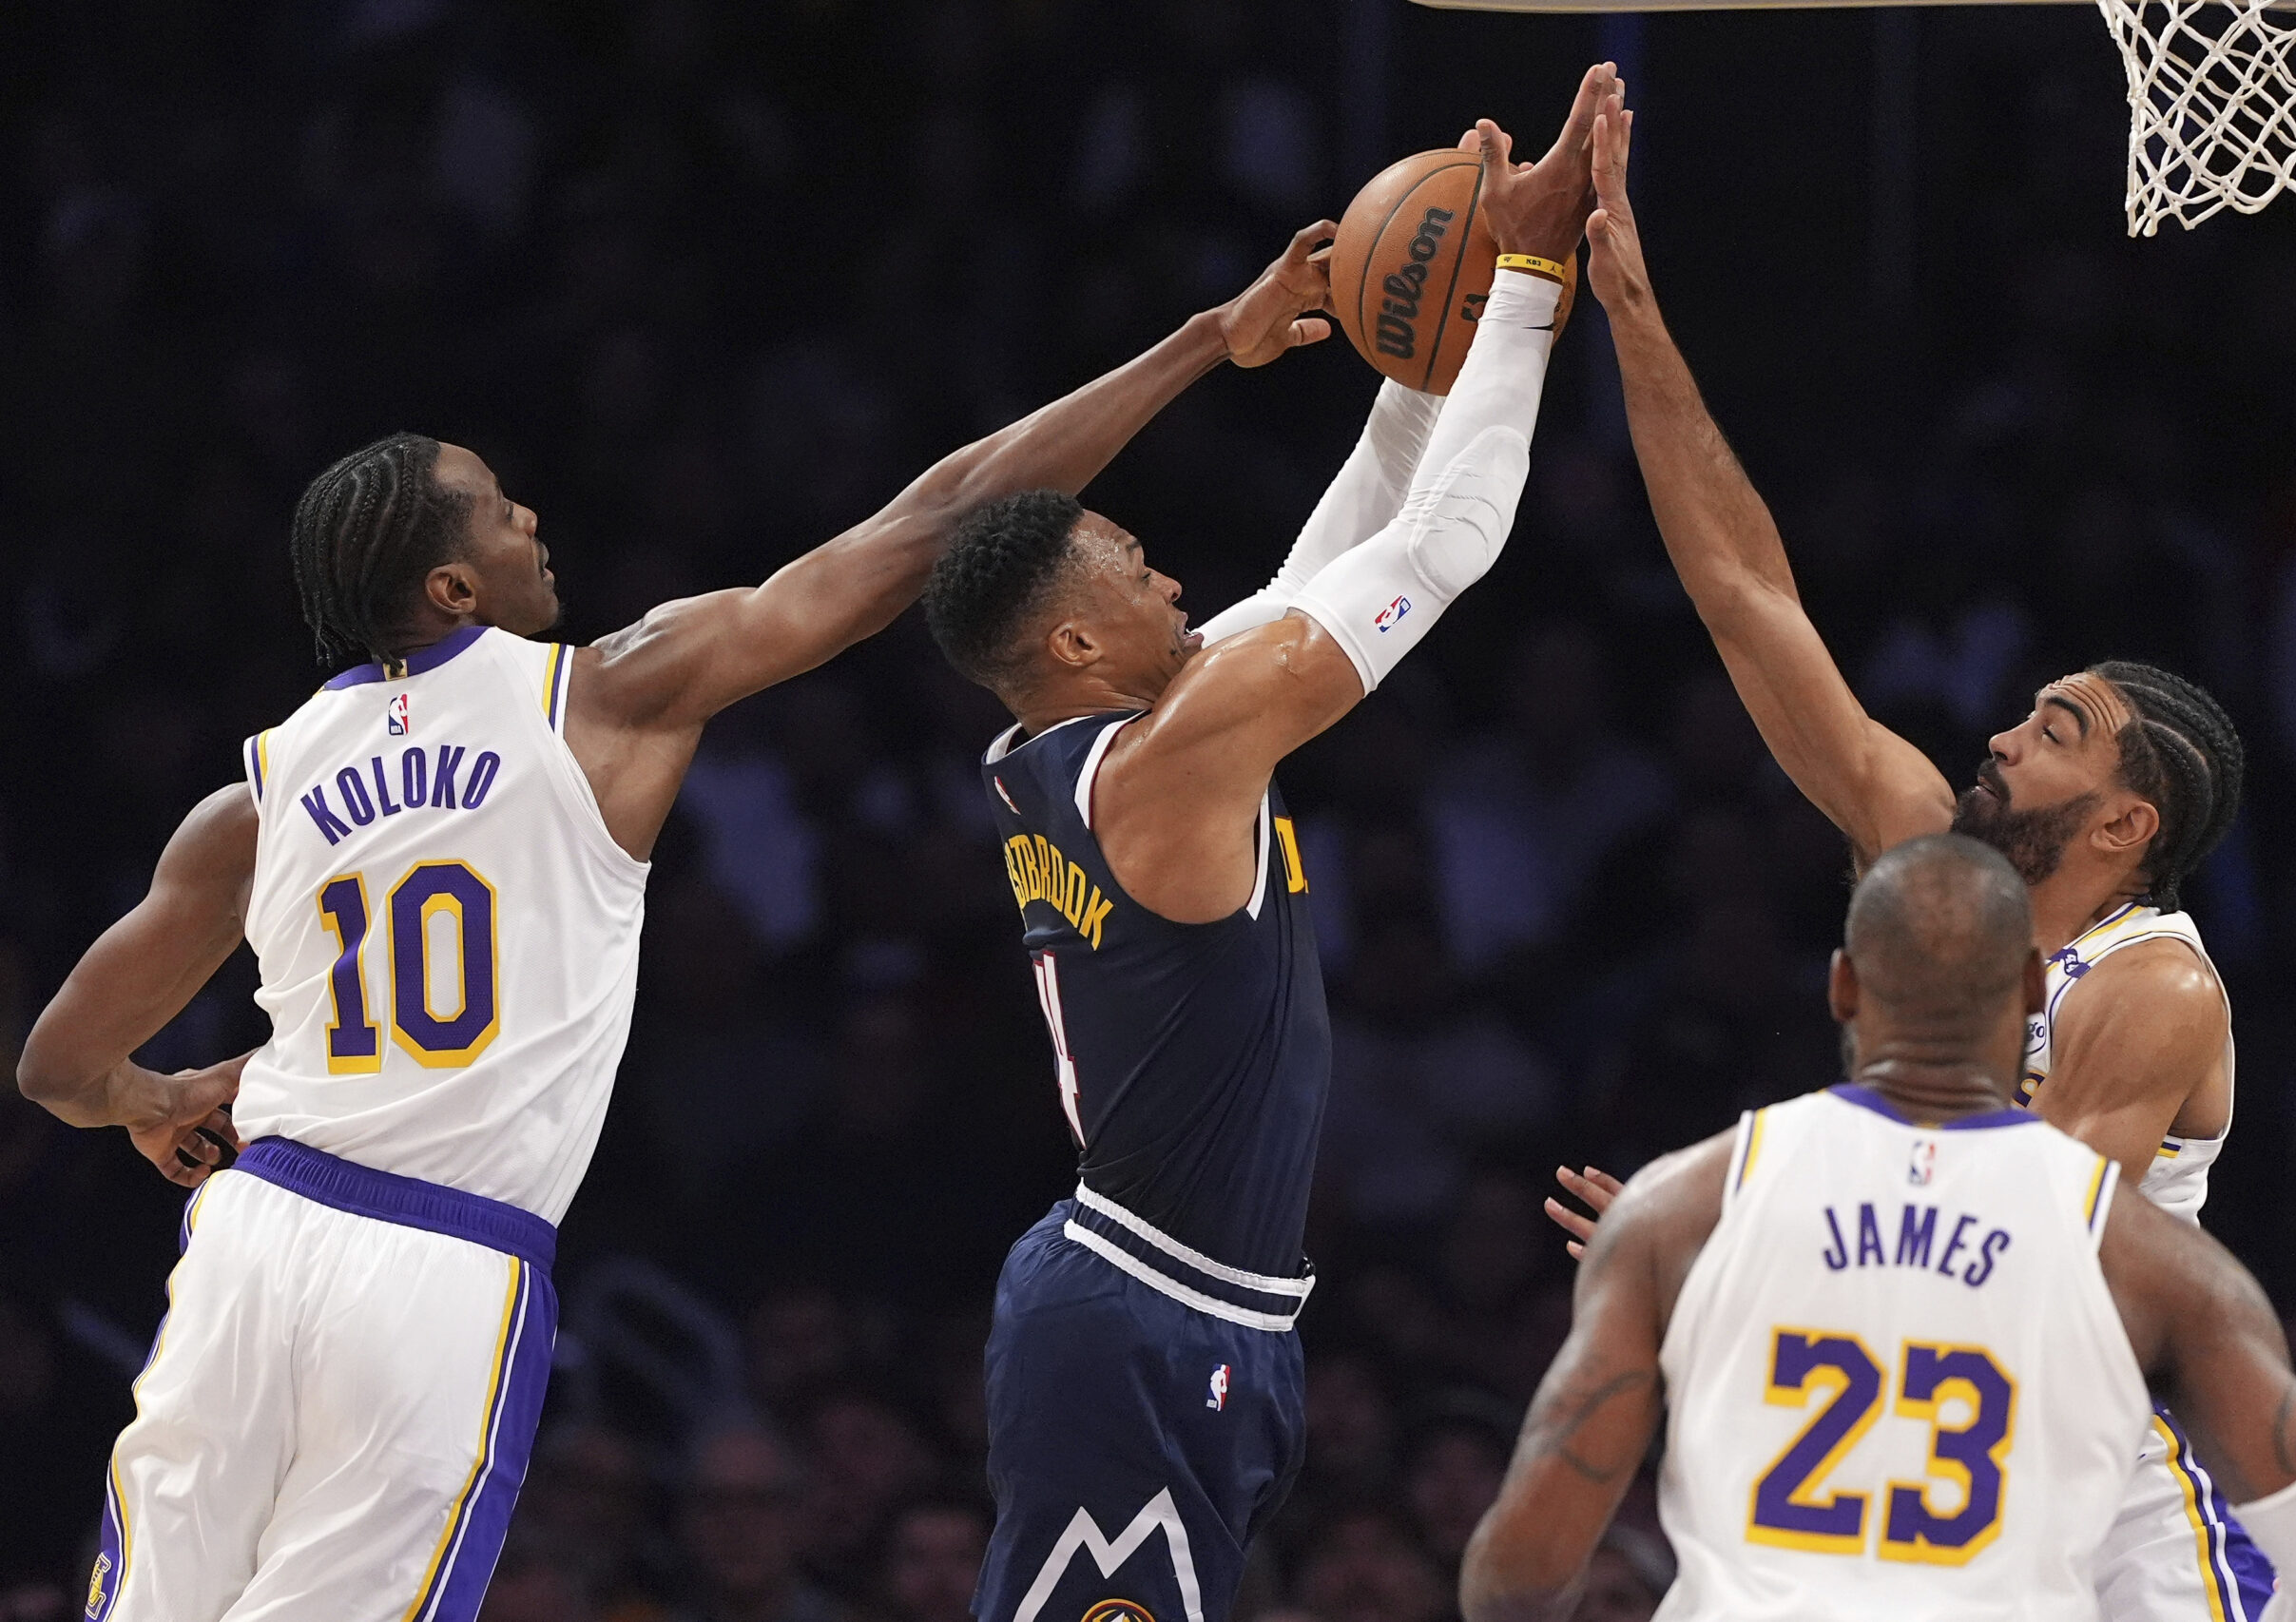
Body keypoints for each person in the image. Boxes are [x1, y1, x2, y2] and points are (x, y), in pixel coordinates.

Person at [11, 225, 1340, 1622]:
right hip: (433, 1266)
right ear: (453, 592)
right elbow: (935, 521)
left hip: (251, 1231)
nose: (529, 518)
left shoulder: (253, 797)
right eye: (495, 509)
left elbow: (56, 1064)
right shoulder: (604, 699)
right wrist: (1204, 339)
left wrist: (148, 1099)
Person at [1548, 79, 2269, 1622]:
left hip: (2102, 1466)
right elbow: (1752, 599)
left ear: (2127, 822)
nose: (2004, 736)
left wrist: (1710, 1258)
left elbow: (2025, 1270)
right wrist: (1633, 312)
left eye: (2055, 729)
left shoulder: (2157, 992)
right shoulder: (1944, 869)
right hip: (1903, 1407)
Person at [917, 64, 1621, 1622]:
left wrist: (1427, 351)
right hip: (1145, 1321)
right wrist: (1516, 281)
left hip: (1182, 1309)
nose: (1175, 584)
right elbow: (1439, 551)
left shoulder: (1091, 741)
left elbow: (1351, 552)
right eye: (1138, 569)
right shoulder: (1167, 759)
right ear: (1079, 641)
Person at [1462, 834, 2296, 1622]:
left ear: (1840, 985)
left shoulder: (1679, 1210)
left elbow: (1518, 1575)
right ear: (2035, 996)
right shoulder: (2153, 1263)